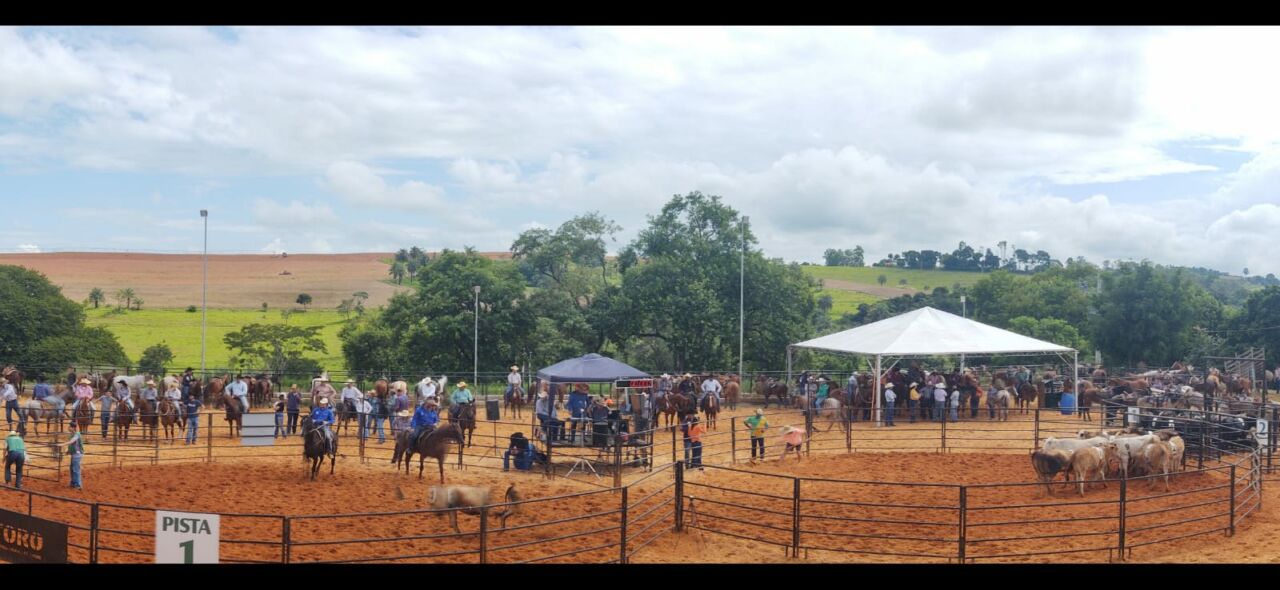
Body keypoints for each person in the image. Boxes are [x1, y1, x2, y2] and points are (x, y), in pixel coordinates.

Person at [63, 422, 86, 490]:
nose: (68, 428)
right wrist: (68, 451)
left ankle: (78, 485)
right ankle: (73, 483)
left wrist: (62, 444)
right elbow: (72, 445)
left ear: (73, 428)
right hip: (74, 454)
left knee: (76, 469)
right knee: (72, 469)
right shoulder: (72, 434)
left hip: (77, 454)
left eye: (69, 426)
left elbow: (72, 442)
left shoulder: (77, 434)